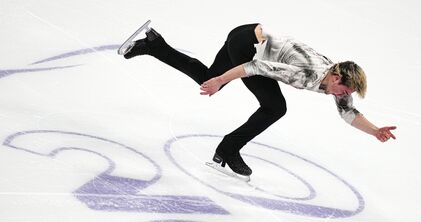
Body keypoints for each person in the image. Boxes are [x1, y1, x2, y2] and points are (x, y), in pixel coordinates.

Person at [122, 23, 396, 180]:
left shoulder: (337, 82)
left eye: (345, 92)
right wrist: (221, 82)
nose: (342, 95)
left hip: (247, 34)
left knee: (207, 76)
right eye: (342, 89)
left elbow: (348, 113)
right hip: (248, 45)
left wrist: (375, 131)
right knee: (275, 107)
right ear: (336, 75)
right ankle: (227, 150)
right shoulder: (307, 74)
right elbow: (253, 68)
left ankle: (154, 45)